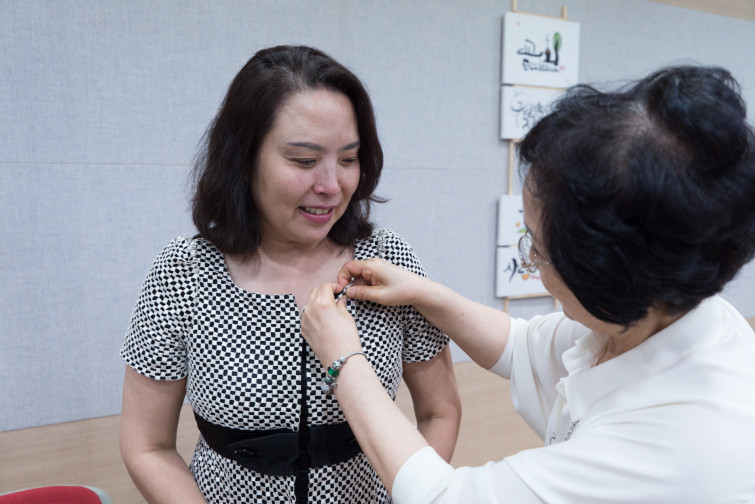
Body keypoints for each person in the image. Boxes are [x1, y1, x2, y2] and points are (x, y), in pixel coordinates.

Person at [300, 65, 755, 503]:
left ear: (607, 276)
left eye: (536, 248)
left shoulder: (681, 443)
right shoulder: (663, 309)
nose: (530, 260)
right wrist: (422, 291)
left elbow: (445, 497)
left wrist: (344, 360)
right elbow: (522, 346)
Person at [119, 45, 461, 504]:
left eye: (348, 159)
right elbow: (147, 444)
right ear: (243, 158)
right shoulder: (185, 270)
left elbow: (440, 412)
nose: (332, 185)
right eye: (304, 161)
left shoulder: (386, 261)